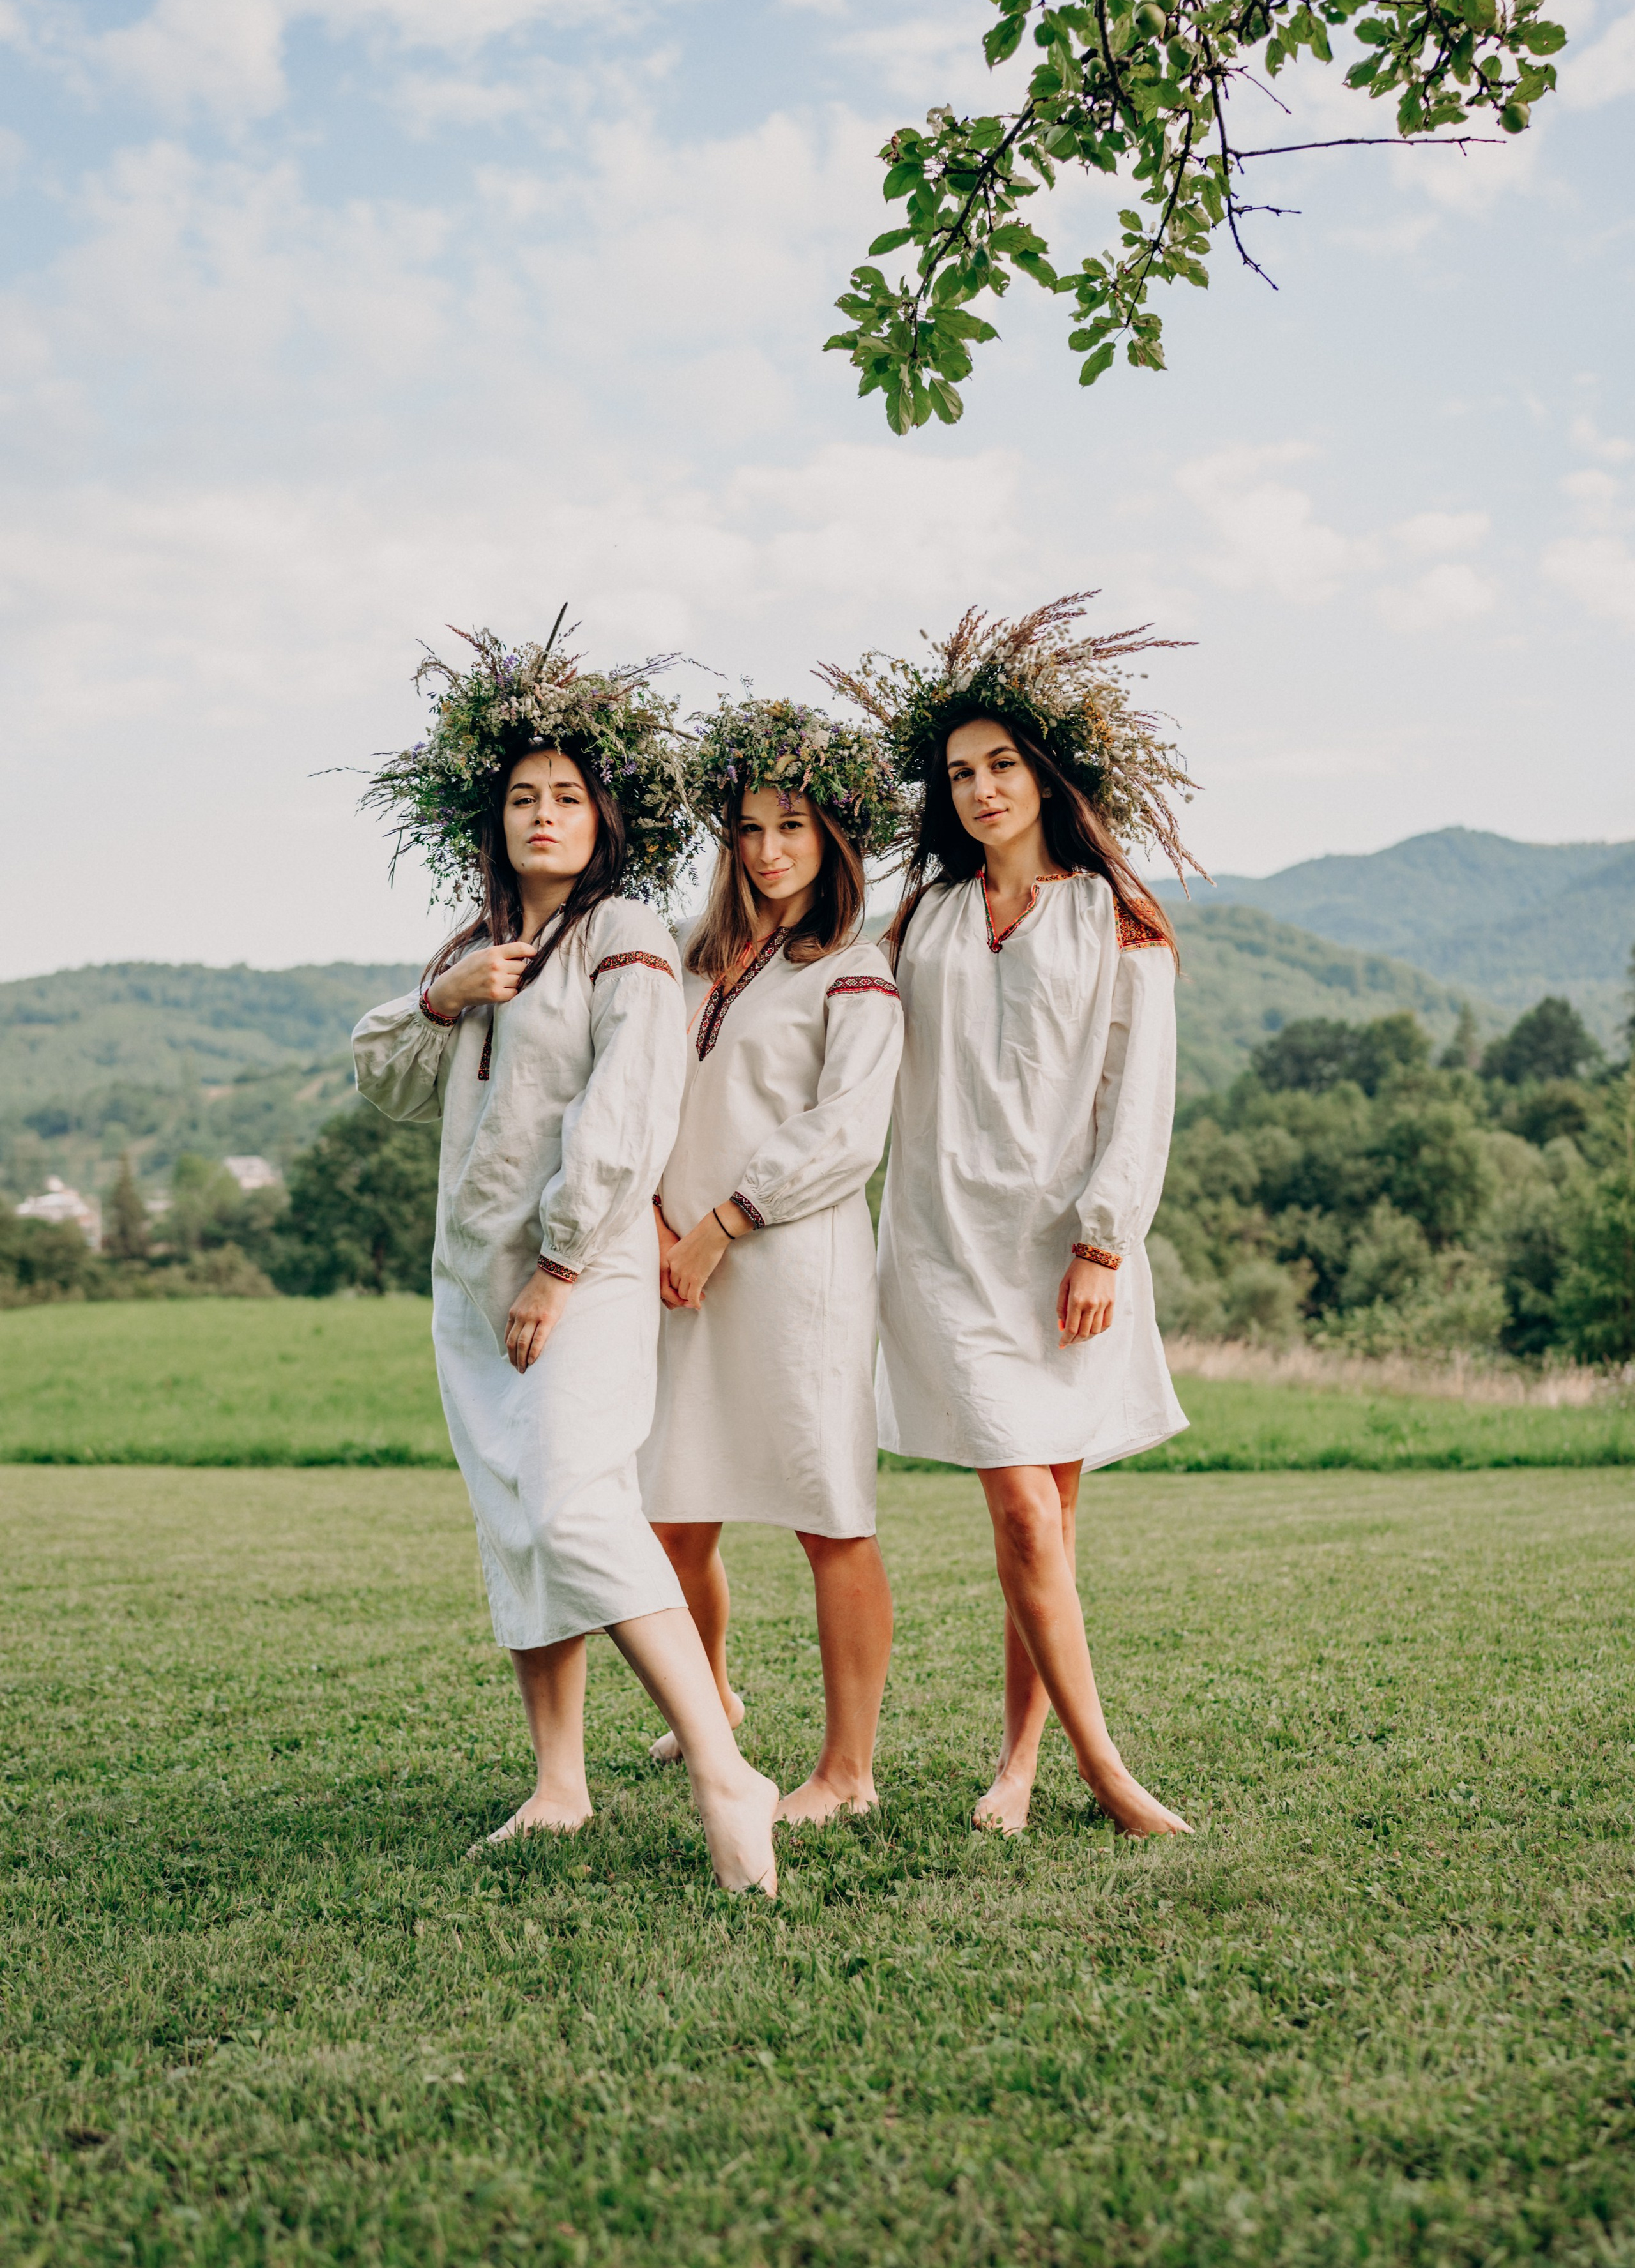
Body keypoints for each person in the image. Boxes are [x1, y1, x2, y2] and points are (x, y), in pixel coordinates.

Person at [351, 624, 781, 1894]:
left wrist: (556, 1264)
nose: (545, 814)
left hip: (574, 1280)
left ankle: (719, 1760)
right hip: (465, 1289)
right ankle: (559, 1782)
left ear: (605, 817)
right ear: (490, 823)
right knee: (516, 1525)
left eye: (567, 797)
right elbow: (380, 1074)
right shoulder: (477, 948)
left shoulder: (626, 934)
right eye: (522, 798)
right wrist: (448, 995)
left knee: (575, 1499)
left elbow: (627, 1115)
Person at [819, 595, 1203, 1841]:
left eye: (1000, 764)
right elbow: (843, 1037)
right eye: (959, 772)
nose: (980, 788)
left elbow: (1133, 1094)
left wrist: (1104, 1239)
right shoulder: (917, 916)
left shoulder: (1115, 916)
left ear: (1044, 773)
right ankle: (1107, 1770)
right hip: (940, 1252)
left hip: (1066, 1256)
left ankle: (1020, 1763)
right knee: (1020, 1508)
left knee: (1049, 1521)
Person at [639, 699, 905, 1825]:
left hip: (795, 1274)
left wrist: (721, 1222)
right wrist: (656, 1218)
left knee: (827, 1514)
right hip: (672, 1265)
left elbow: (848, 1130)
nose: (767, 849)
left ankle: (849, 1771)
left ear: (831, 837)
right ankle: (712, 1702)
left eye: (790, 825)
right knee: (669, 1517)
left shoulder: (850, 968)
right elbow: (646, 1097)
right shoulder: (688, 965)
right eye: (747, 828)